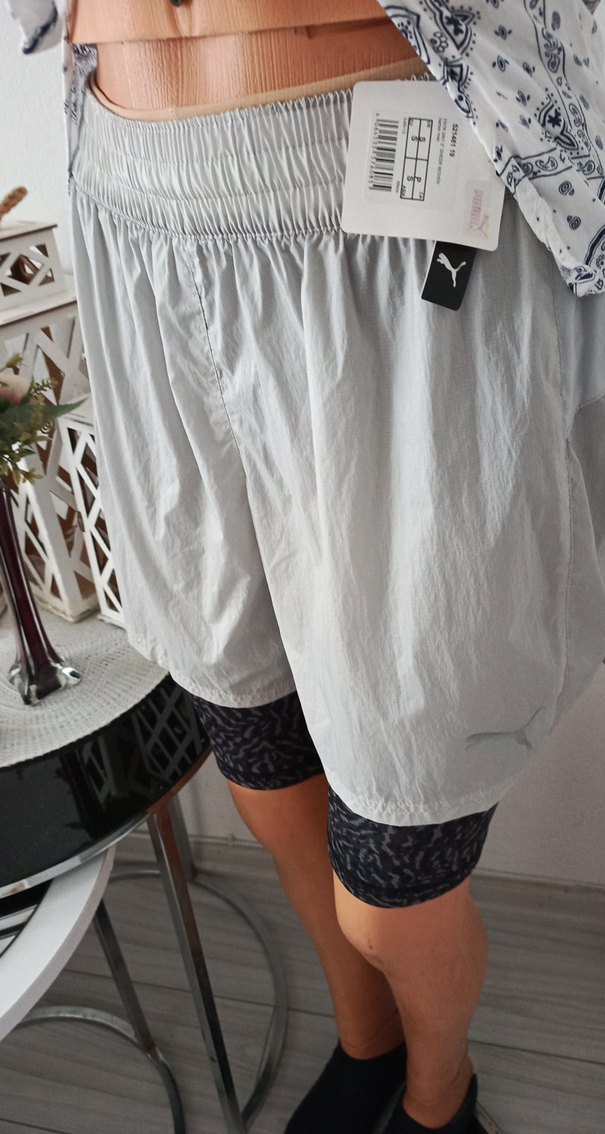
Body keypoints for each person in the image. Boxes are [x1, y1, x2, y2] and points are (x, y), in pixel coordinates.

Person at [7, 3, 605, 1131]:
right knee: (254, 740)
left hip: (382, 195)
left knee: (398, 835)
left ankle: (440, 1091)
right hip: (133, 195)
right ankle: (366, 1041)